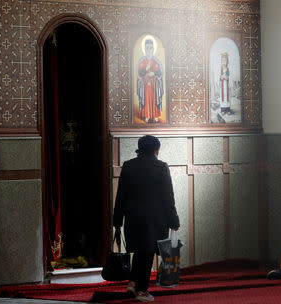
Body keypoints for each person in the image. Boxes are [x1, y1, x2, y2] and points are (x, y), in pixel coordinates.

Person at [113, 135, 180, 302]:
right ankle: (142, 290)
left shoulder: (128, 166)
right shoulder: (161, 167)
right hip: (155, 219)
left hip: (133, 219)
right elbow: (168, 197)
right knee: (148, 254)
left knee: (140, 252)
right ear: (156, 149)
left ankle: (133, 283)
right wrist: (174, 220)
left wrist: (117, 221)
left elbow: (120, 196)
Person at [137, 39, 164, 123]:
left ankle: (155, 115)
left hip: (154, 84)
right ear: (145, 49)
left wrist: (154, 73)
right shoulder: (142, 61)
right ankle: (147, 115)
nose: (149, 50)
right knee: (146, 99)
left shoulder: (156, 61)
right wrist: (146, 68)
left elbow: (159, 72)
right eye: (147, 48)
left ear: (153, 49)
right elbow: (140, 73)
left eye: (150, 48)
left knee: (155, 99)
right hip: (145, 85)